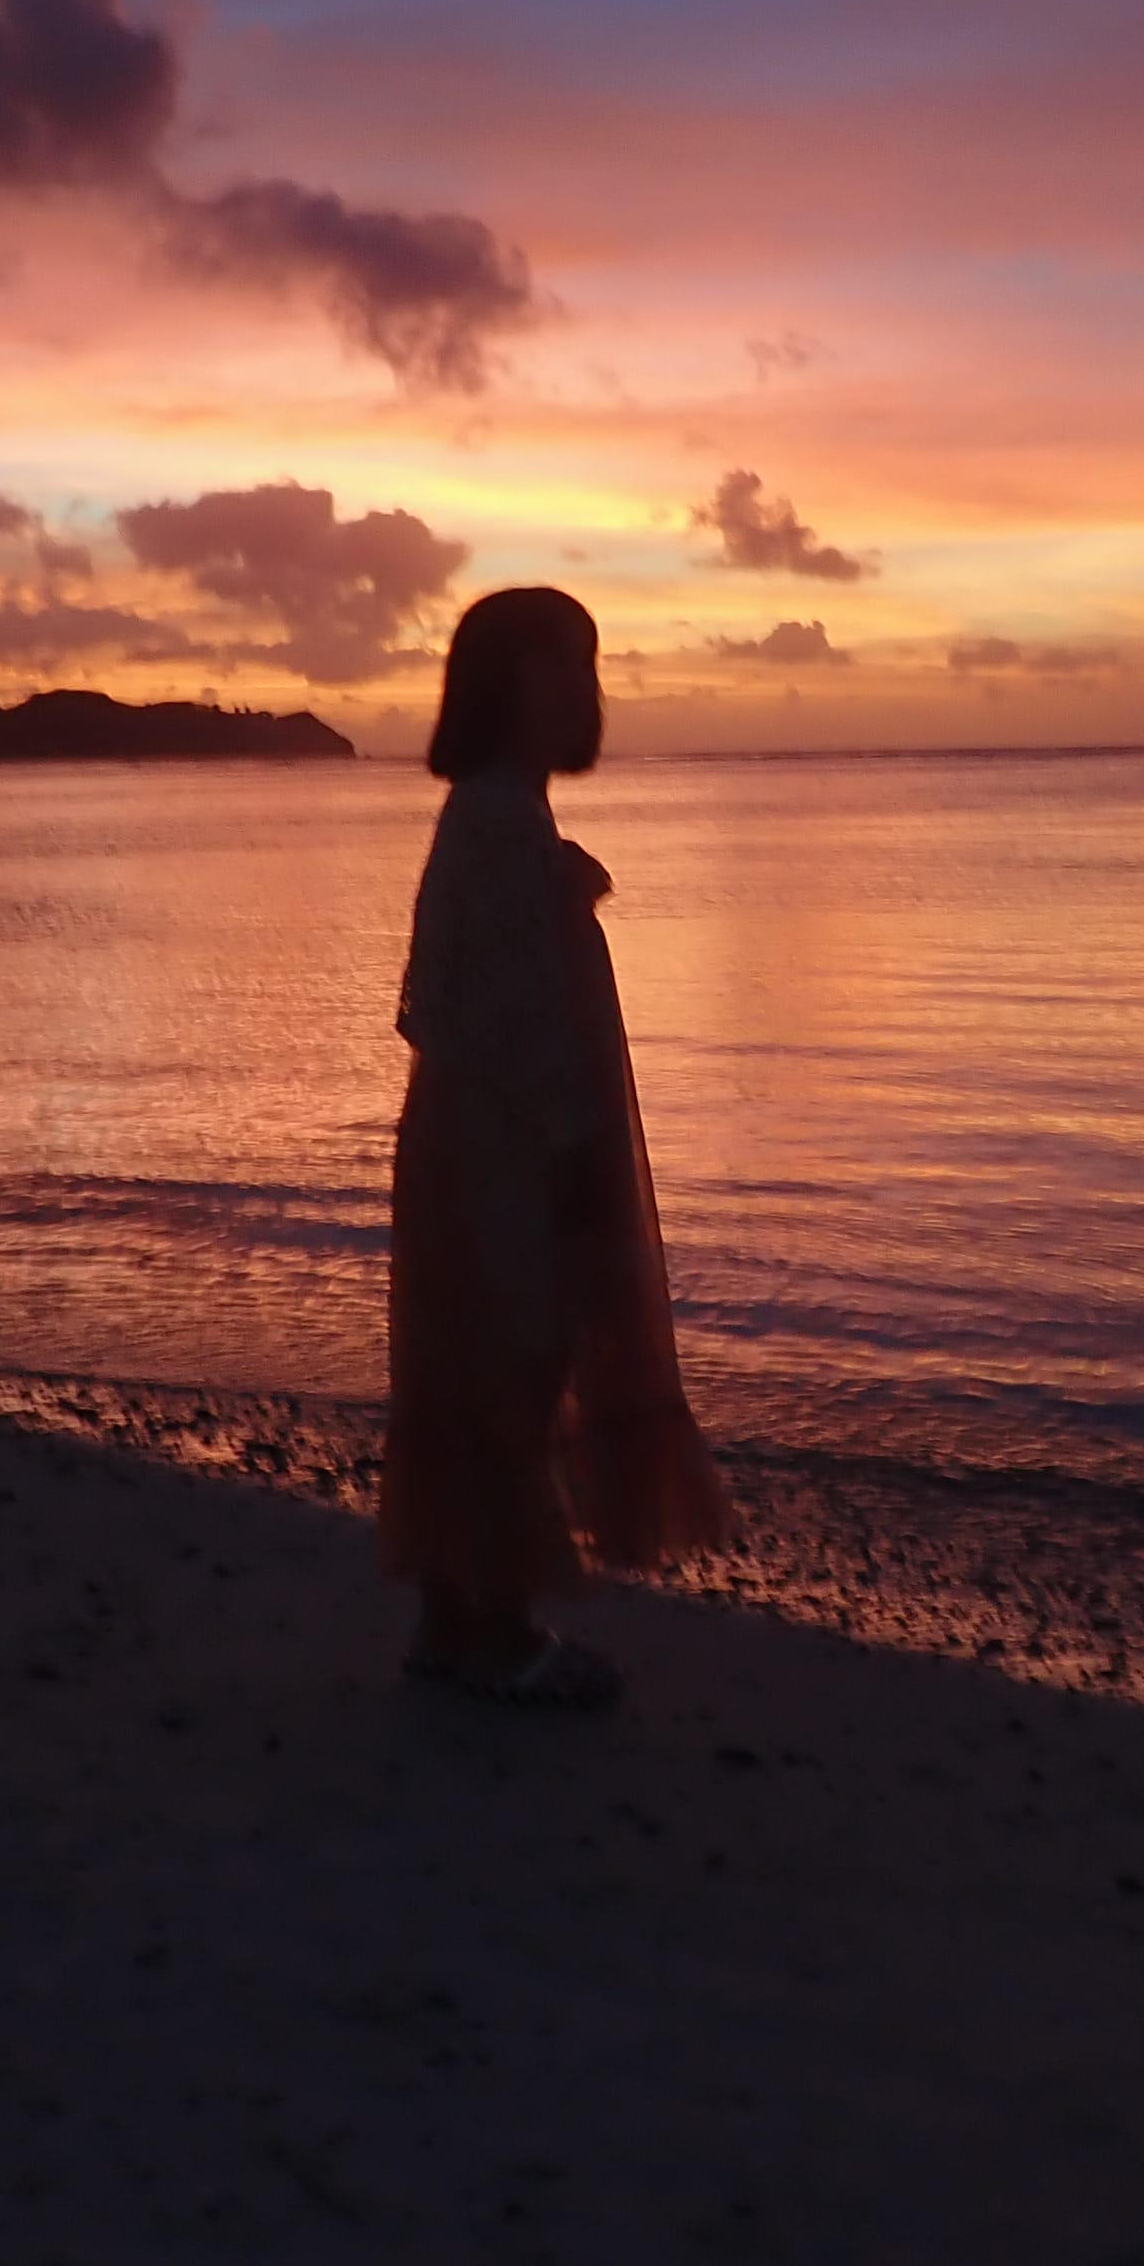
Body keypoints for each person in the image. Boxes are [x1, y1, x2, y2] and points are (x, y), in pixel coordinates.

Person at [386, 587, 729, 1706]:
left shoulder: (507, 816)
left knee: (488, 1375)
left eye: (589, 666)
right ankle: (492, 1637)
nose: (586, 690)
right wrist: (562, 1148)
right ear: (501, 687)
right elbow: (457, 1005)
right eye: (561, 667)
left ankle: (460, 1624)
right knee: (505, 1375)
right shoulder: (492, 819)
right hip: (494, 1149)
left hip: (488, 1142)